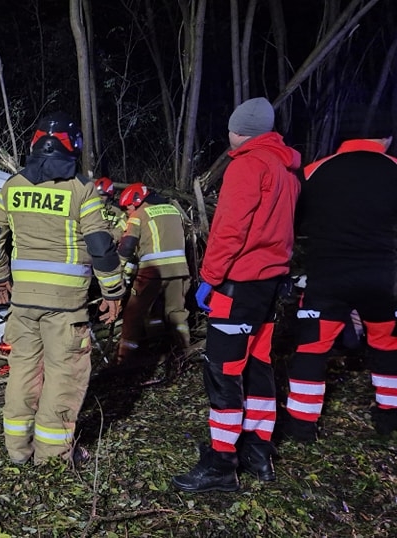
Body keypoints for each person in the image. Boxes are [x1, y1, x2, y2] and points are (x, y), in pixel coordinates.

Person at [0, 112, 125, 465]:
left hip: (24, 302)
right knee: (64, 375)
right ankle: (53, 455)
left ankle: (18, 451)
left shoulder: (13, 187)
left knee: (23, 372)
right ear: (72, 147)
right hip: (66, 306)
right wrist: (113, 293)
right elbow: (101, 247)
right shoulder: (81, 190)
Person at [172, 97, 301, 493]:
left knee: (223, 370)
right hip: (268, 284)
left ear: (238, 130)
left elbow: (230, 229)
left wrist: (209, 277)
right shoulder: (287, 168)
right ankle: (257, 452)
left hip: (238, 283)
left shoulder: (248, 165)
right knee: (259, 364)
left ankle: (221, 462)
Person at [281, 105, 397, 442]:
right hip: (381, 277)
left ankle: (302, 425)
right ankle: (388, 416)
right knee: (387, 345)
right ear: (385, 137)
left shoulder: (314, 171)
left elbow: (294, 222)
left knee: (311, 348)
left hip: (327, 276)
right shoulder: (393, 168)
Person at [113, 182, 190, 365]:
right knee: (177, 313)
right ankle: (184, 351)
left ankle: (124, 361)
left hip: (152, 271)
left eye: (128, 206)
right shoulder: (173, 211)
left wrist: (118, 272)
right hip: (179, 270)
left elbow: (127, 247)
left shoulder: (139, 215)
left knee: (133, 315)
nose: (127, 211)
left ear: (138, 200)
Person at [95, 176, 127, 242]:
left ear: (110, 196)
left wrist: (110, 238)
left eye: (103, 195)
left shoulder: (117, 211)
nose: (100, 197)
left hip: (110, 243)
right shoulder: (89, 209)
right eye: (98, 195)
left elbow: (122, 227)